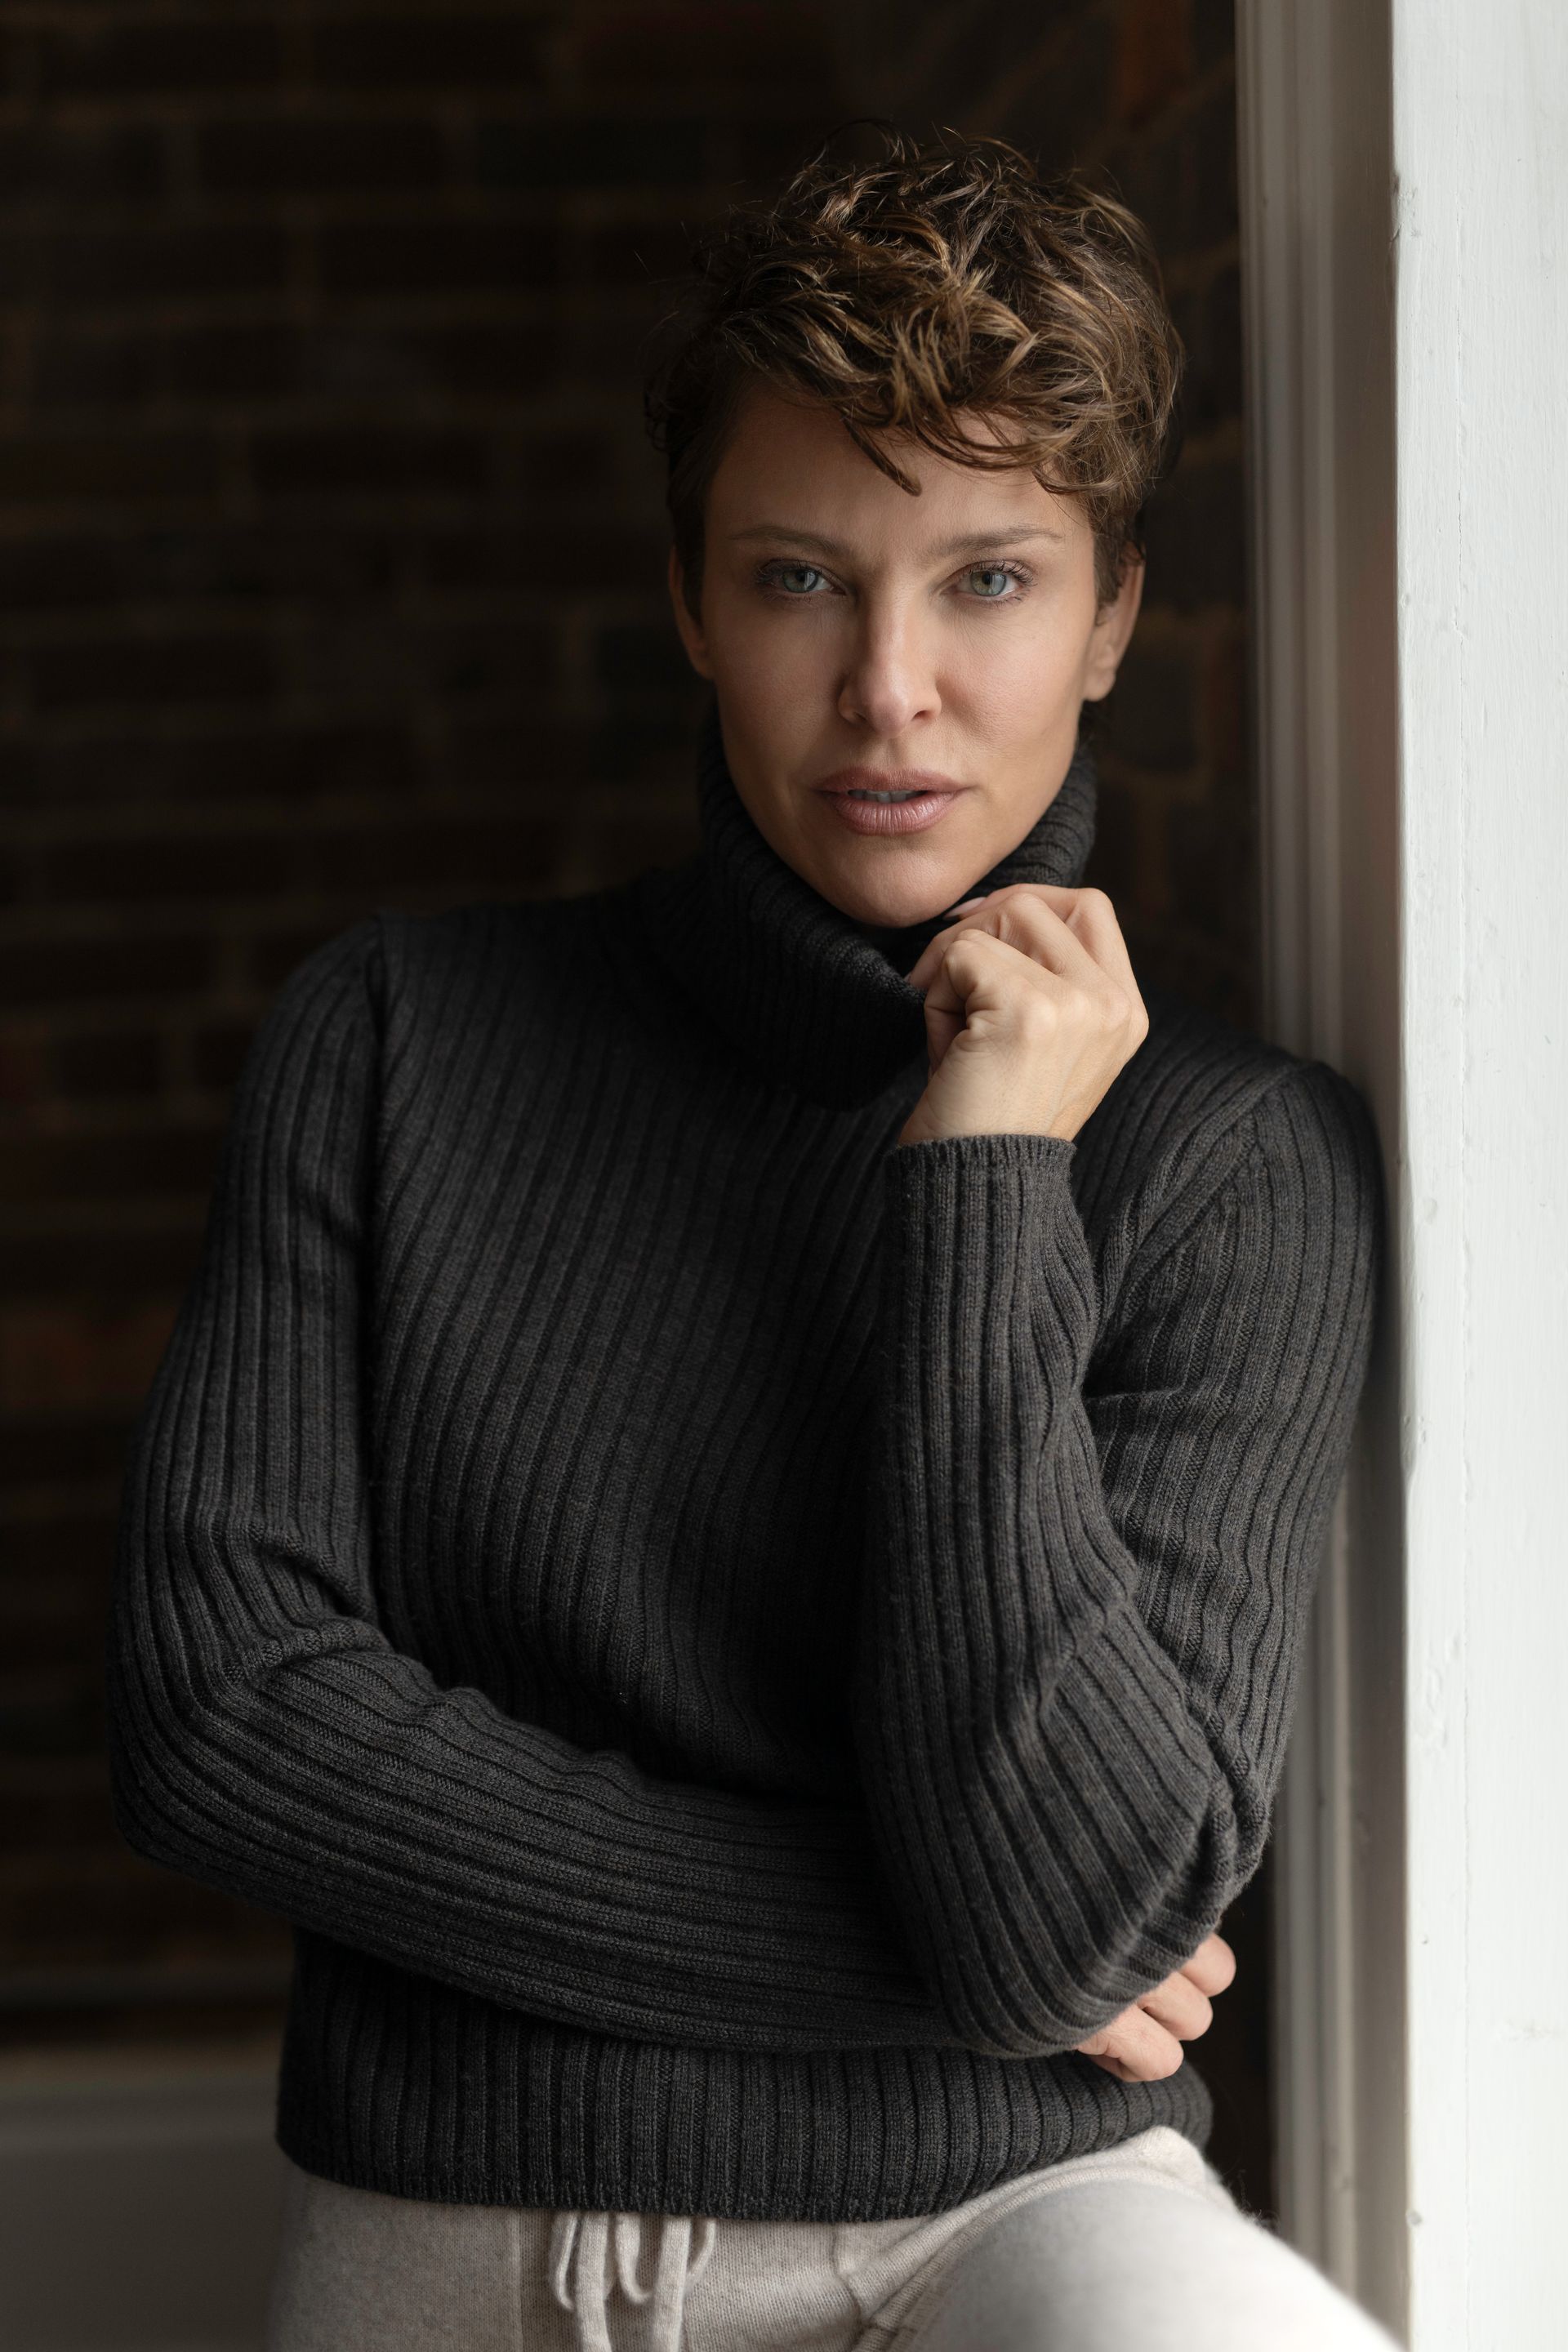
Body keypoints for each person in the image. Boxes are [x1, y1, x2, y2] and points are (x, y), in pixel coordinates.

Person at [105, 125, 1396, 2350]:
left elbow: (1082, 1898)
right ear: (693, 597)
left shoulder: (1228, 1159)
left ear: (1112, 620)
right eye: (803, 577)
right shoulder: (398, 1038)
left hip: (1018, 2209)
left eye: (986, 578)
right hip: (460, 2205)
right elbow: (228, 1711)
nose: (889, 686)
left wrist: (985, 1167)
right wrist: (947, 1969)